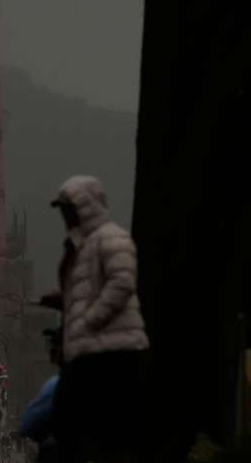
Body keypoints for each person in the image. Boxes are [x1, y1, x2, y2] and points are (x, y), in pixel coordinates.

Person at [49, 175, 149, 462]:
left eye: (67, 210)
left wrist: (88, 320)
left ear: (84, 208)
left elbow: (122, 283)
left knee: (88, 431)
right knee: (75, 430)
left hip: (111, 354)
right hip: (90, 352)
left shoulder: (110, 238)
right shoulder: (83, 245)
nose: (64, 217)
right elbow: (93, 288)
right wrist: (64, 300)